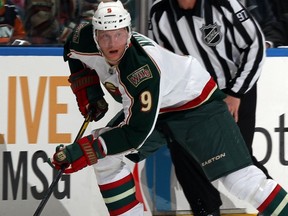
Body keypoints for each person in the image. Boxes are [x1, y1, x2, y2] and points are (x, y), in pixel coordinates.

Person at [48, 1, 288, 215]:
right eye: (105, 36)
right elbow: (73, 51)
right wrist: (89, 91)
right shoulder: (83, 37)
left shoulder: (141, 69)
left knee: (239, 179)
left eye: (119, 35)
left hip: (196, 105)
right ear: (95, 34)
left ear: (129, 32)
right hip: (155, 106)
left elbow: (135, 134)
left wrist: (79, 151)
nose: (113, 44)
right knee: (106, 160)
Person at [149, 0, 275, 215]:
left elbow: (255, 45)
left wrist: (235, 93)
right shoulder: (159, 12)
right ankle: (206, 210)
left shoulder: (224, 5)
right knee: (184, 156)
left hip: (234, 89)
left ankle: (278, 207)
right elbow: (159, 59)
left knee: (240, 162)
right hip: (194, 97)